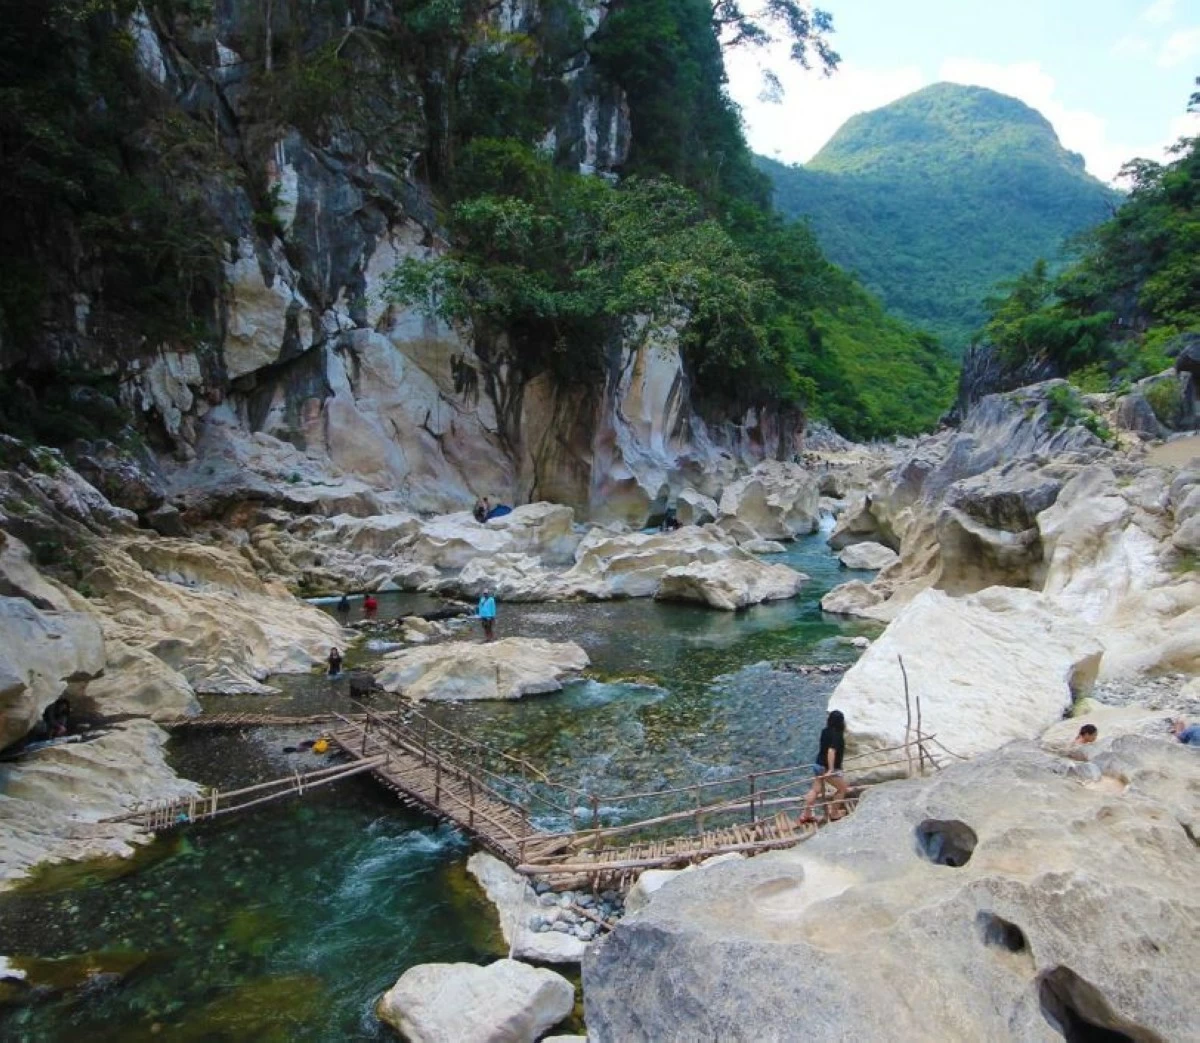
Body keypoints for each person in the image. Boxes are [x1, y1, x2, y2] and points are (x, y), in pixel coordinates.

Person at [798, 710, 849, 826]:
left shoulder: (825, 731)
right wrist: (831, 769)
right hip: (826, 768)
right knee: (842, 789)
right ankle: (834, 813)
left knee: (815, 790)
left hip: (818, 765)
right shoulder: (837, 735)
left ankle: (805, 815)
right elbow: (831, 751)